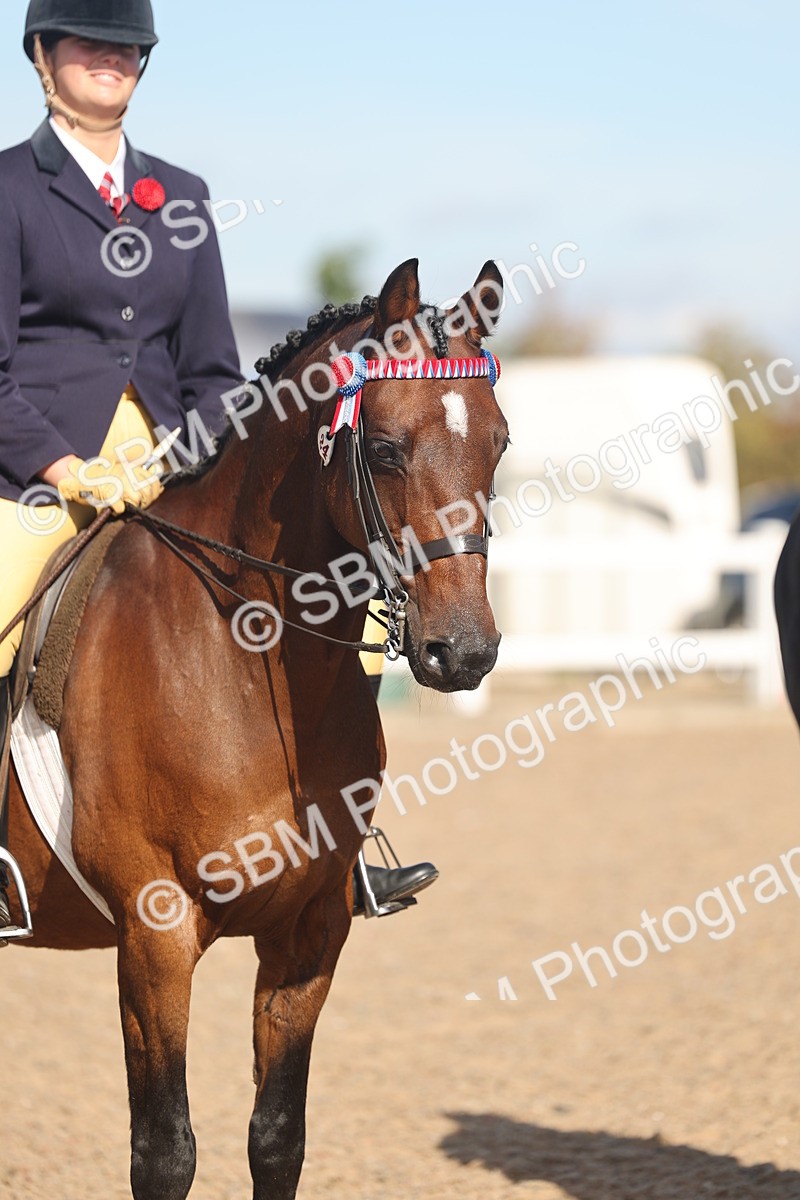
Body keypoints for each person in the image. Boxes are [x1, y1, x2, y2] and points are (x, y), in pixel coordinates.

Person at [0, 0, 437, 939]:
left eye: (126, 46)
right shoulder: (7, 189)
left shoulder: (182, 196)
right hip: (37, 470)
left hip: (171, 466)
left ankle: (340, 850)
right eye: (88, 42)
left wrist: (193, 454)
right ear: (42, 56)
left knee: (333, 611)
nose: (110, 59)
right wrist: (66, 466)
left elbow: (208, 368)